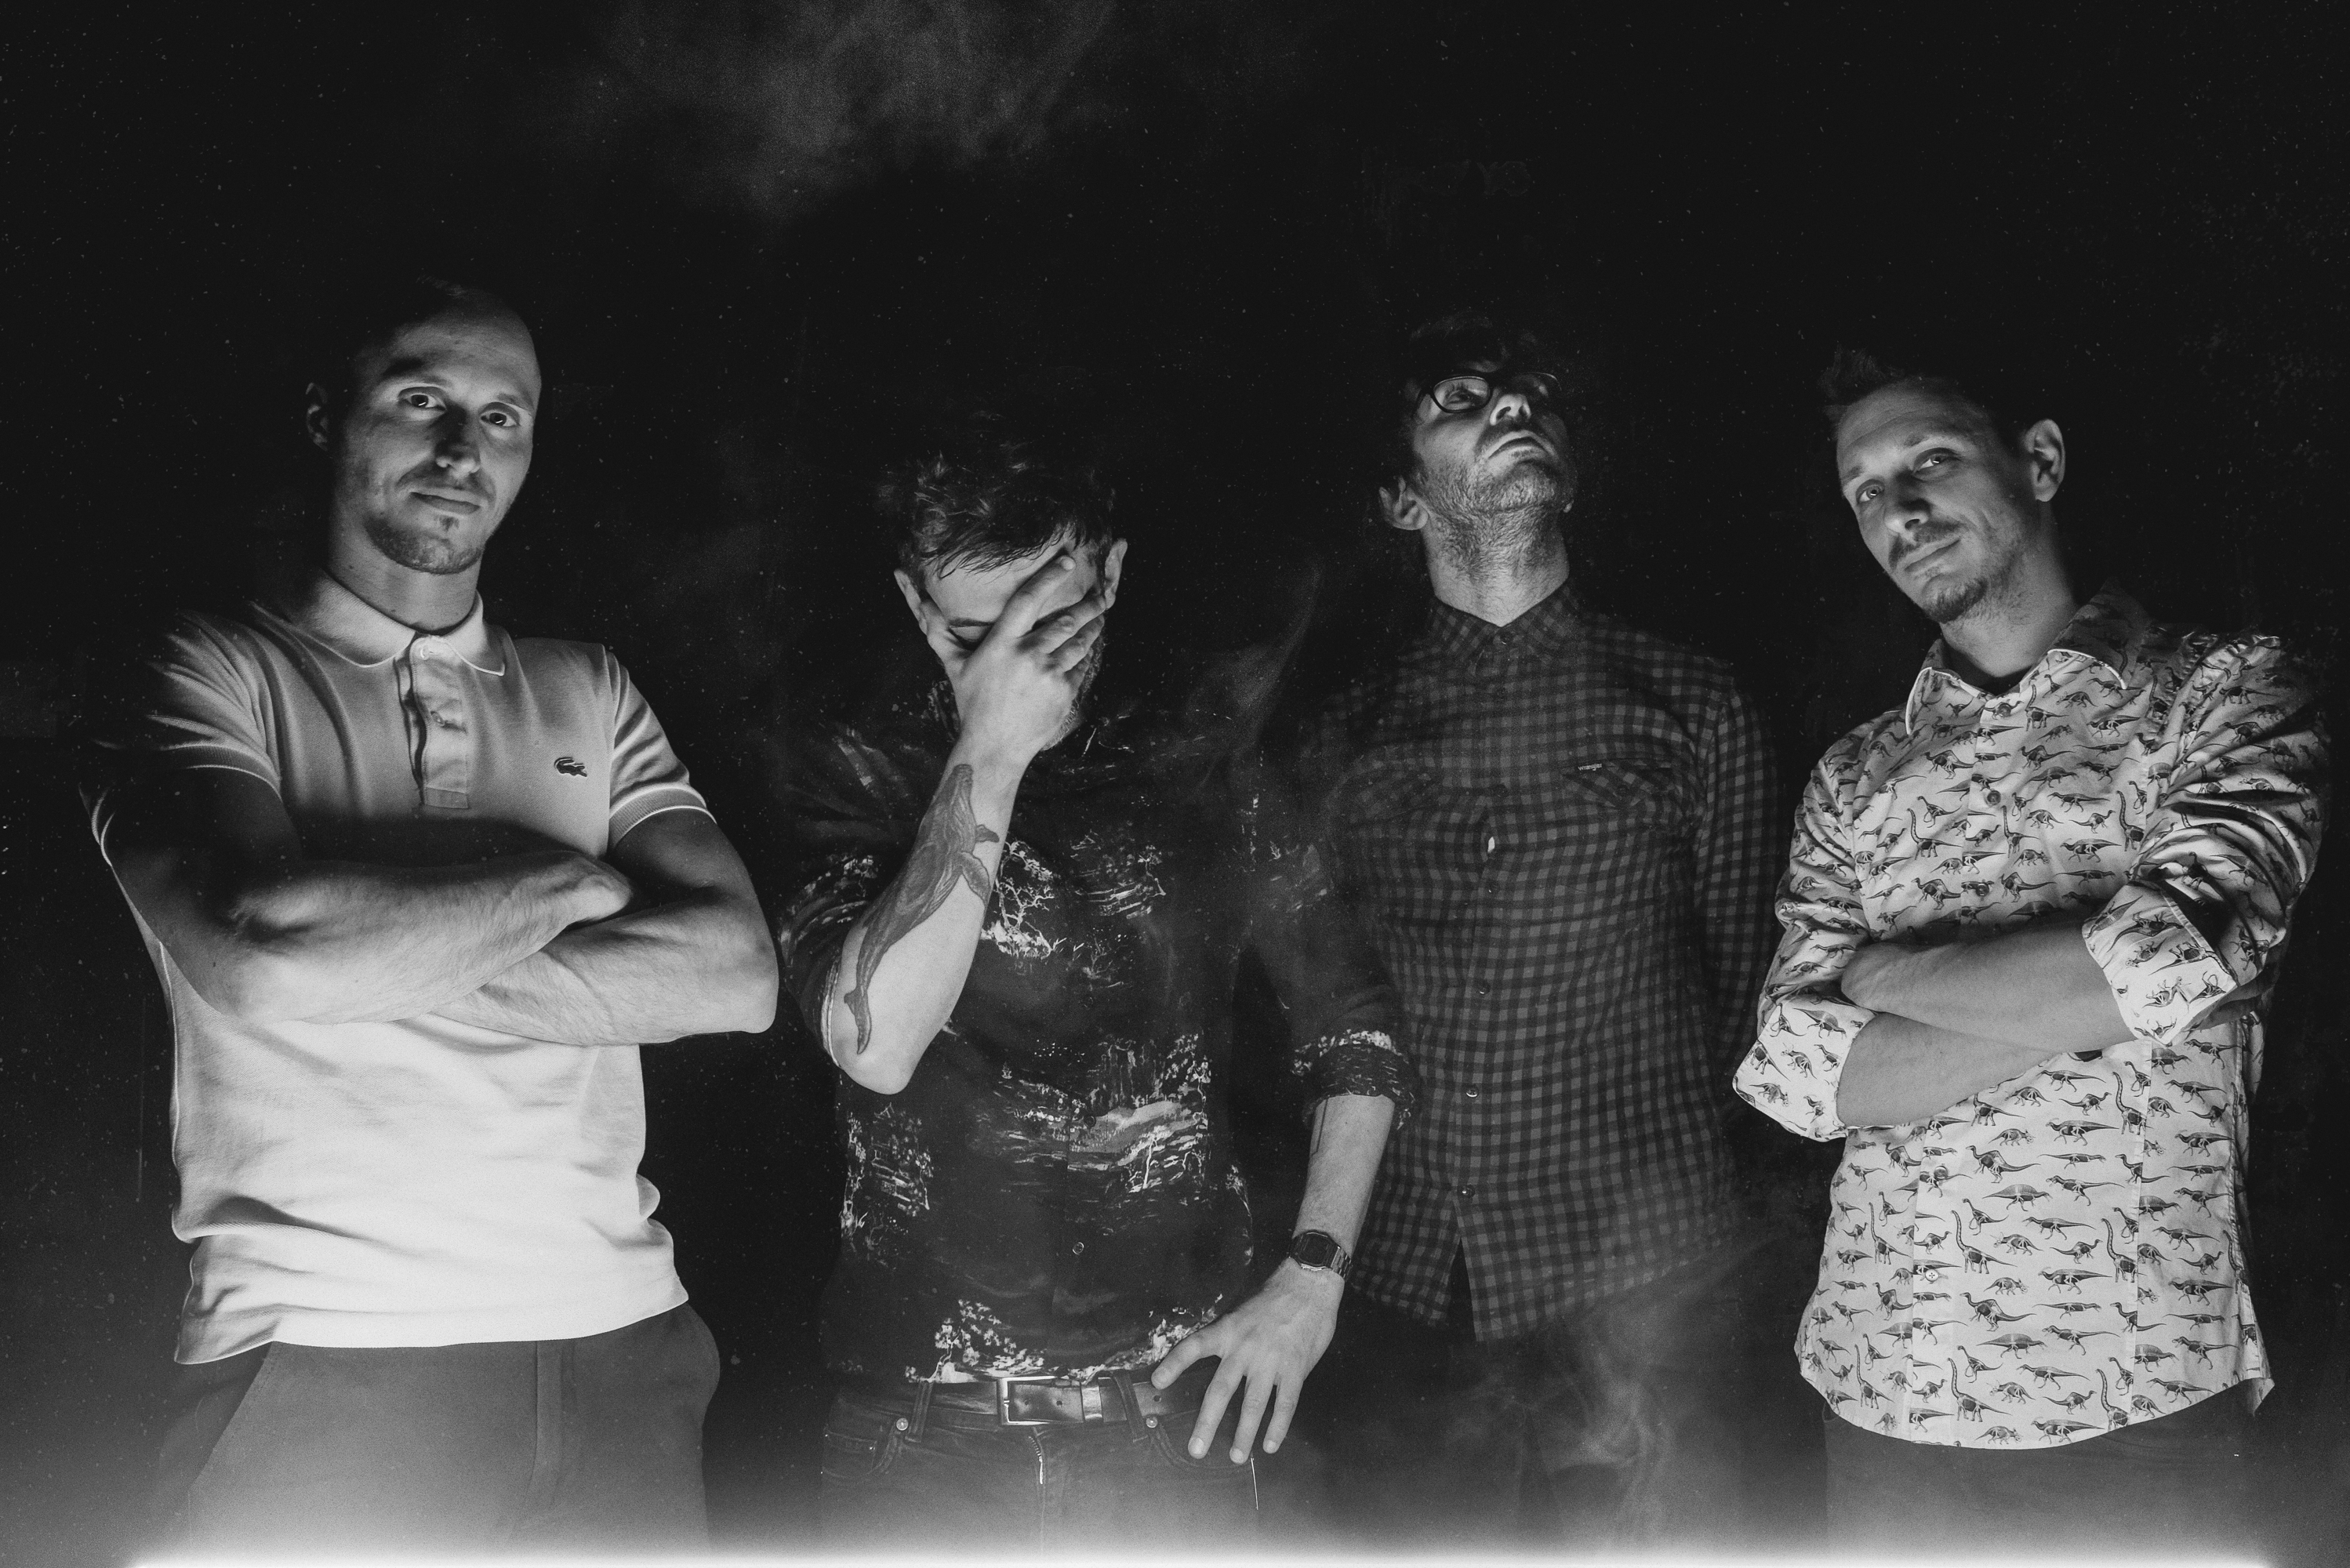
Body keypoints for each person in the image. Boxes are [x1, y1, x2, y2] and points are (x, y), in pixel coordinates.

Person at [84, 275, 779, 1555]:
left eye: (504, 418)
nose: (465, 450)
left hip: (622, 1343)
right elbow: (261, 953)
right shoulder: (206, 669)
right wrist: (573, 881)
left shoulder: (589, 688)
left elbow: (735, 975)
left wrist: (369, 945)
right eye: (422, 401)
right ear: (326, 415)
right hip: (329, 1343)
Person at [767, 440, 1417, 1548]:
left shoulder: (1201, 754)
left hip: (1167, 1428)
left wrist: (1313, 1282)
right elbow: (873, 1044)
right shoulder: (853, 762)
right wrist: (992, 747)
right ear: (914, 603)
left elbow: (1351, 1025)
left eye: (1053, 627)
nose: (1017, 667)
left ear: (1110, 573)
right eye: (975, 638)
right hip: (919, 1442)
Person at [1733, 350, 2327, 1549]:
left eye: (1930, 460)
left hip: (2138, 1386)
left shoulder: (2223, 689)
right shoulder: (1855, 774)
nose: (1899, 511)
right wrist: (2087, 995)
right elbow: (1803, 1074)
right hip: (1884, 1378)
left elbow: (2166, 961)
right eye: (1864, 491)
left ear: (2040, 460)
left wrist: (1886, 977)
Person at [1295, 310, 1782, 1546]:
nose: (1514, 407)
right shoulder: (1345, 732)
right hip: (1410, 1276)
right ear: (1404, 500)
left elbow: (1748, 998)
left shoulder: (1691, 700)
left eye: (1531, 394)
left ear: (1571, 474)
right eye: (1462, 401)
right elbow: (1327, 1008)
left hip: (1649, 1281)